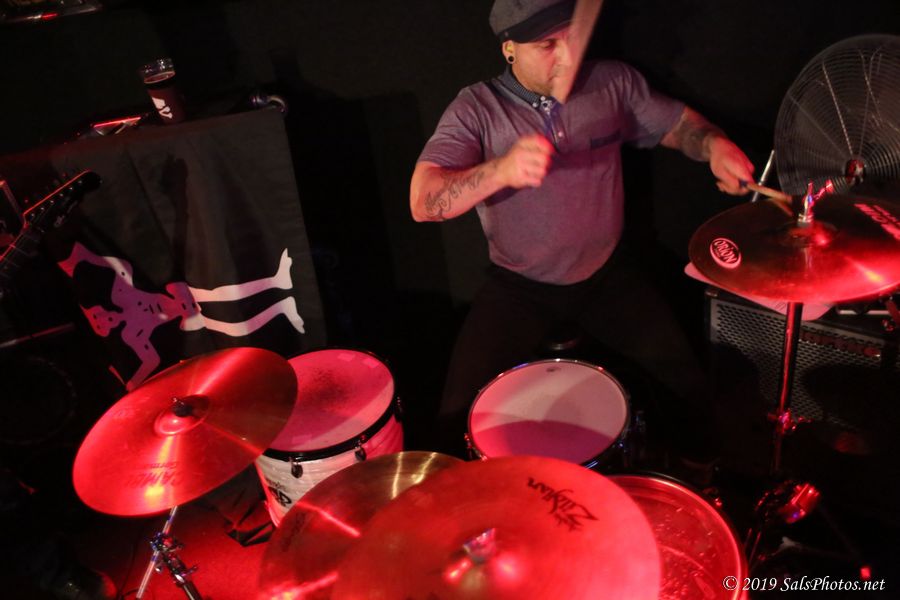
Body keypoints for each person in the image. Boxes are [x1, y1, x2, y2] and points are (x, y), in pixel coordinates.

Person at [409, 0, 755, 469]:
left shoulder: (611, 82)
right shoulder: (478, 107)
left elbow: (678, 124)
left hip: (607, 277)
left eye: (571, 39)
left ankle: (698, 484)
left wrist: (714, 145)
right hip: (519, 286)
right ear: (509, 48)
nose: (566, 56)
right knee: (453, 423)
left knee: (691, 395)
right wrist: (500, 170)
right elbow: (423, 201)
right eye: (546, 45)